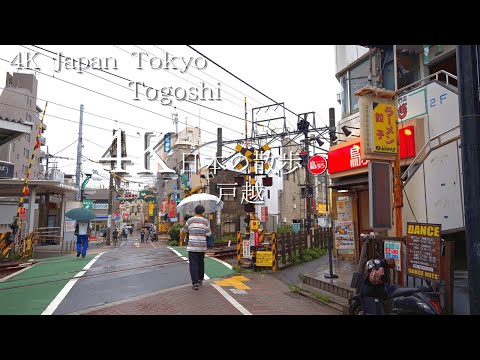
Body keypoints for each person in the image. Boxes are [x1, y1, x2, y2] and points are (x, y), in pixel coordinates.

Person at [180, 205, 211, 290]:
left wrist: (182, 240)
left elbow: (183, 231)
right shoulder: (205, 221)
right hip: (202, 246)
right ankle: (200, 279)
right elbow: (208, 234)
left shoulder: (190, 220)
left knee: (193, 264)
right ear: (203, 212)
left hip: (192, 246)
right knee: (201, 262)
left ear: (195, 212)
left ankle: (195, 283)